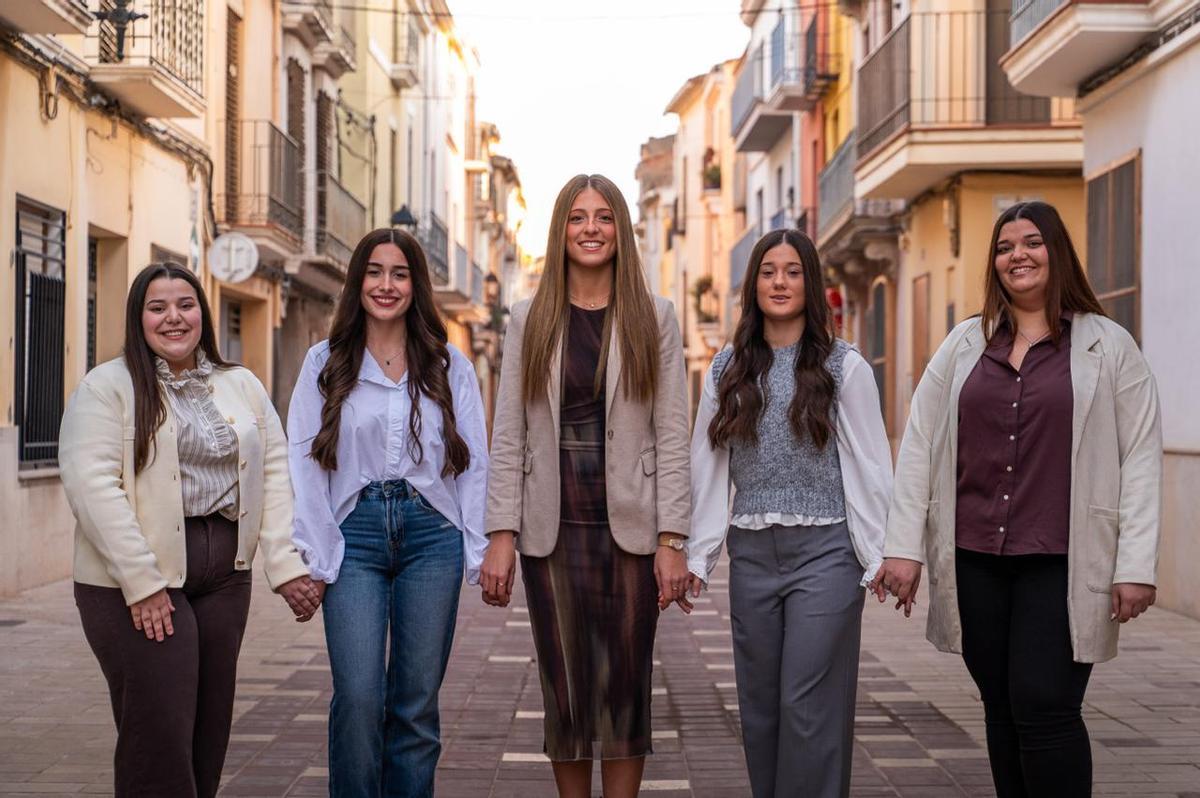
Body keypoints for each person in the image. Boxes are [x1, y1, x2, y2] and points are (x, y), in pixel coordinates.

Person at [873, 201, 1162, 797]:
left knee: (1045, 706)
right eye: (1005, 248)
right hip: (976, 557)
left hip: (1061, 561)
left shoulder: (1108, 346)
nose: (1017, 256)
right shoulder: (963, 345)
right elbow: (921, 447)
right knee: (1001, 708)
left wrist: (1135, 565)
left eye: (1032, 243)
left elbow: (1139, 458)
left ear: (1057, 254)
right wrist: (903, 549)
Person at [59, 262, 319, 798]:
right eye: (158, 307)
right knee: (158, 729)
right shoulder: (107, 387)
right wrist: (144, 583)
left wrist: (285, 563)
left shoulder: (240, 384)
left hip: (225, 576)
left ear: (203, 311)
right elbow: (92, 487)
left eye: (186, 305)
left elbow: (273, 471)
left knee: (208, 729)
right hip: (134, 582)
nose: (173, 318)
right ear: (139, 318)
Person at [480, 173, 692, 798]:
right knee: (565, 690)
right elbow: (509, 433)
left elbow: (672, 431)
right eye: (577, 217)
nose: (591, 229)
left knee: (626, 689)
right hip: (553, 529)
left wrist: (672, 536)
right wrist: (500, 533)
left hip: (631, 528)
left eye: (603, 217)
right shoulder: (530, 318)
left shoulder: (655, 317)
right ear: (561, 231)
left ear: (621, 231)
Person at [685, 229, 891, 798]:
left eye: (794, 271)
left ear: (811, 283)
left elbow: (871, 464)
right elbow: (707, 466)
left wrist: (881, 557)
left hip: (826, 554)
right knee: (761, 710)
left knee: (807, 705)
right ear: (753, 284)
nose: (780, 281)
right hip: (751, 555)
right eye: (769, 271)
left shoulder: (844, 367)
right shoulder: (727, 368)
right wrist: (696, 558)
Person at [287, 227, 488, 797]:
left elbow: (475, 463)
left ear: (415, 285)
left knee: (416, 705)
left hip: (432, 536)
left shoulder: (450, 366)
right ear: (358, 282)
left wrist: (480, 549)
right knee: (358, 695)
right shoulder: (323, 363)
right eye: (374, 271)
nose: (386, 284)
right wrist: (315, 554)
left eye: (399, 273)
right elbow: (302, 460)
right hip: (355, 537)